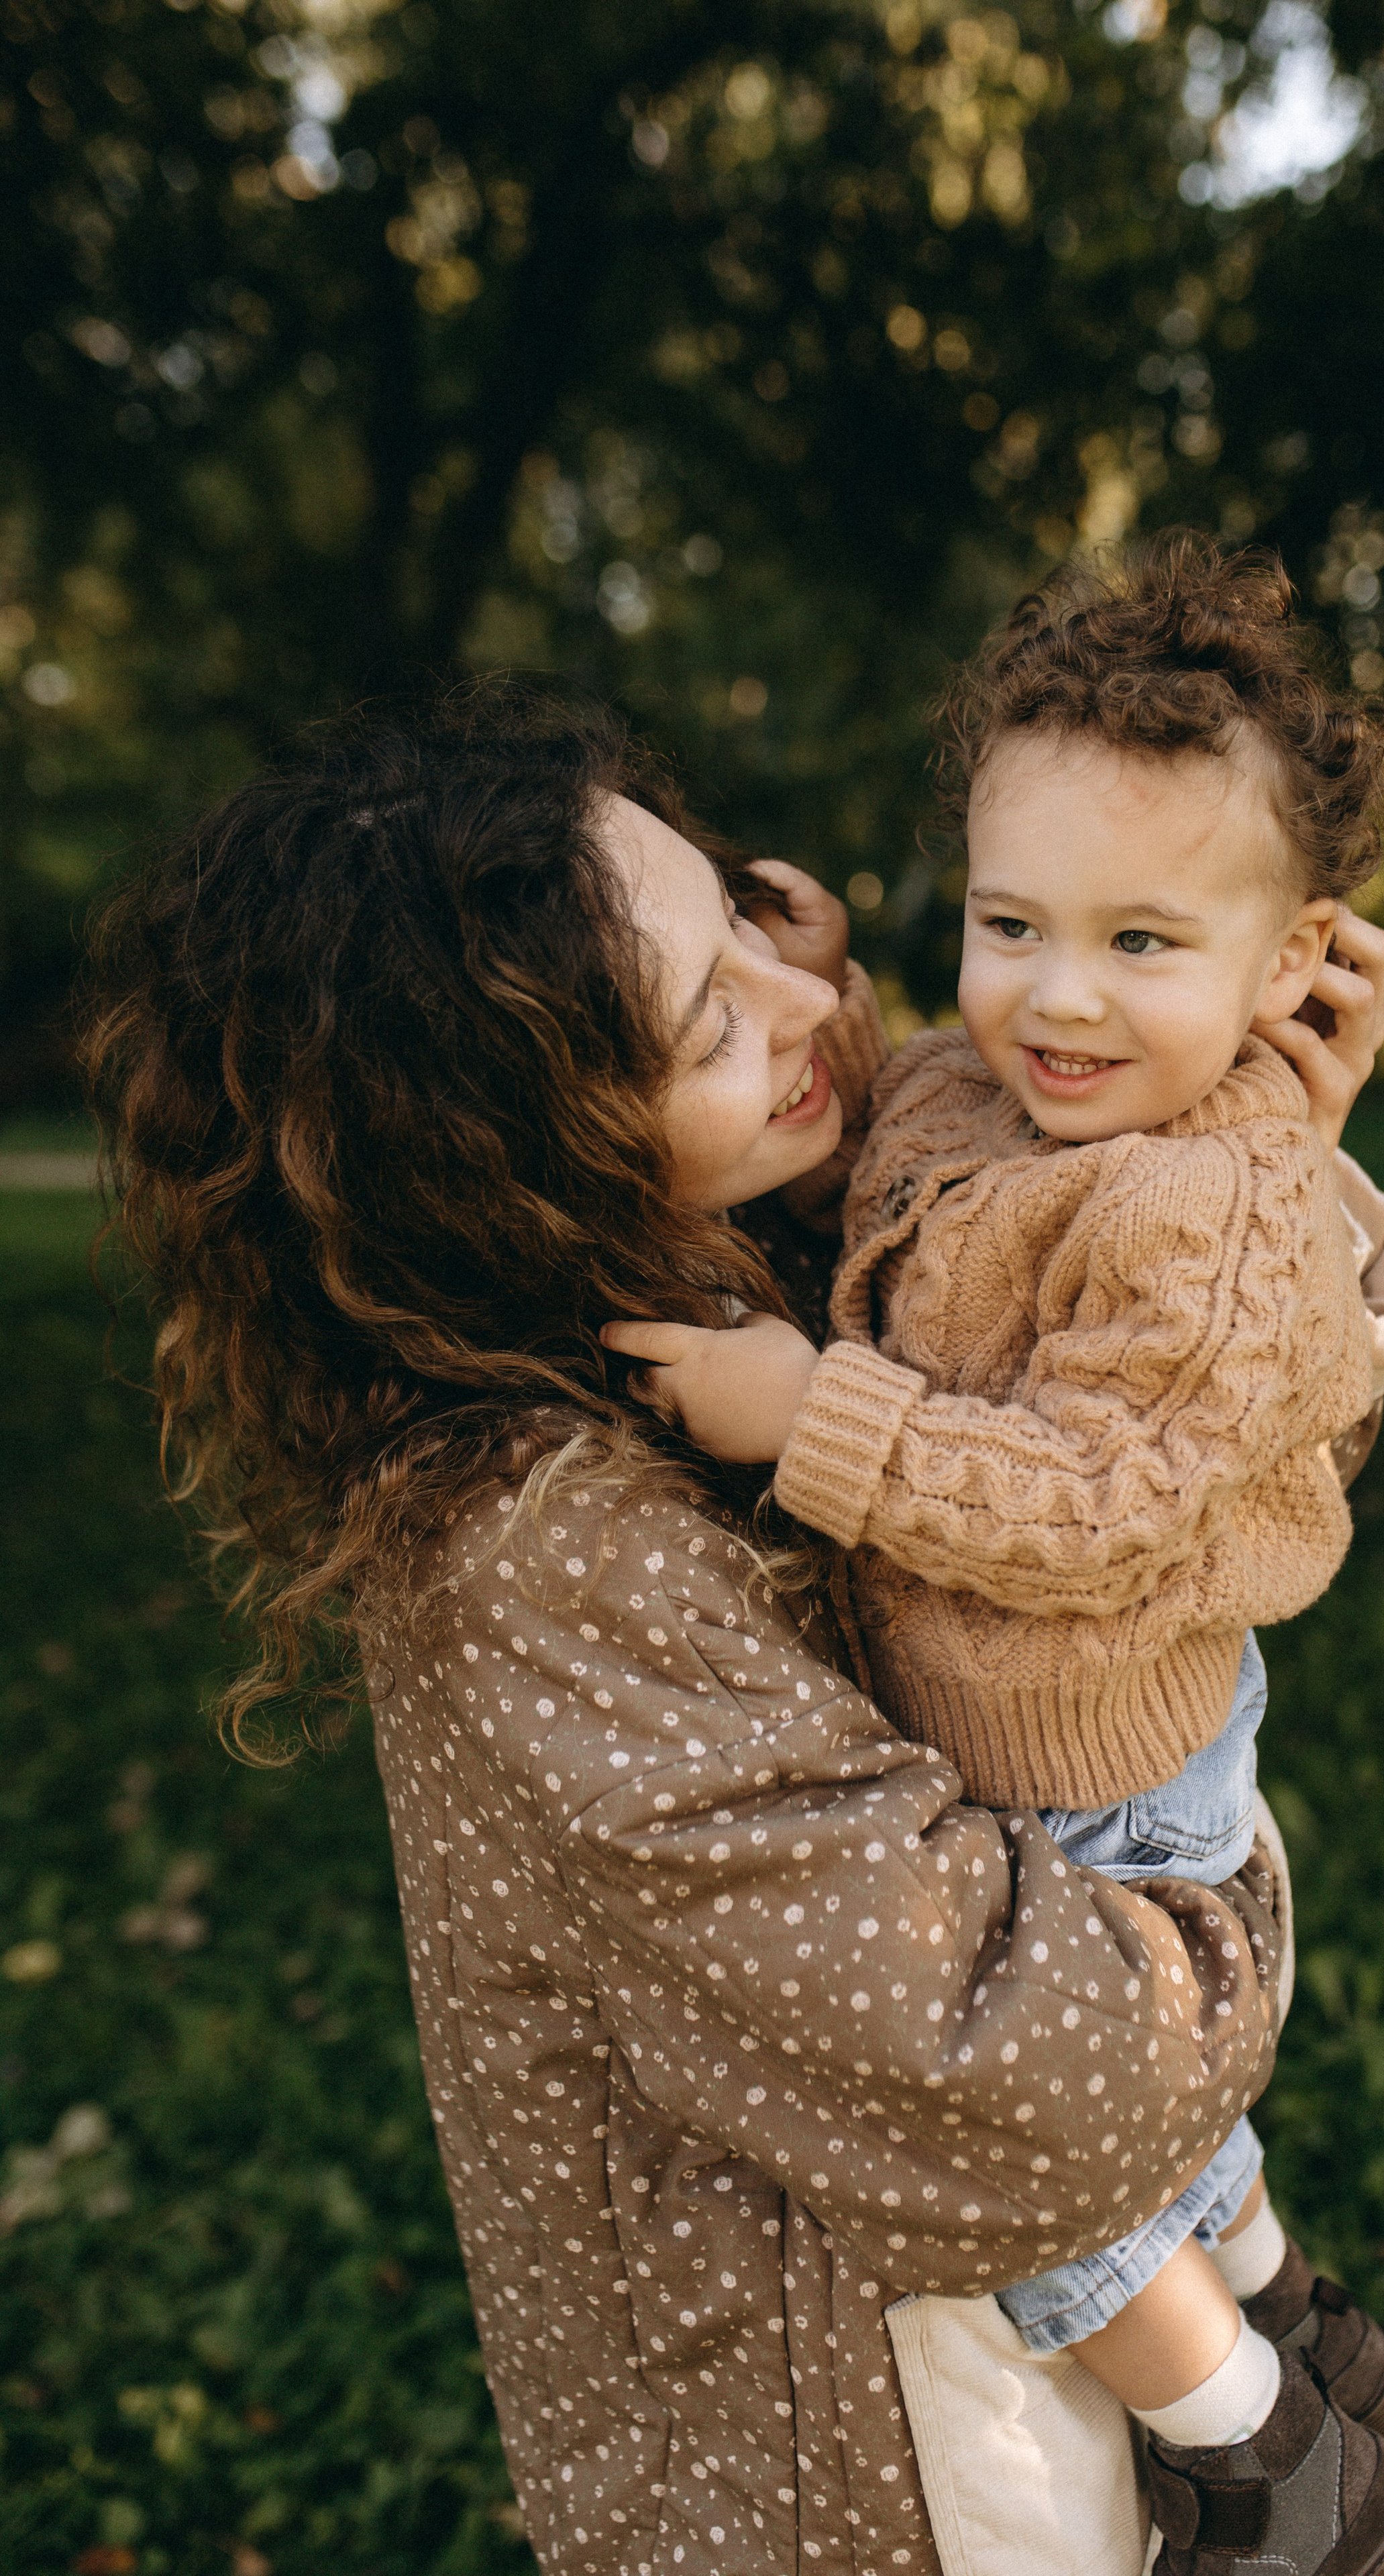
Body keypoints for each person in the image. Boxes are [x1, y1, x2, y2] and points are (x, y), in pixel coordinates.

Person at [83, 678, 1306, 2576]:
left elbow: (1100, 1341)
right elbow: (1026, 2079)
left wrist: (1255, 1118)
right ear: (518, 1150)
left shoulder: (679, 1299)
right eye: (713, 1021)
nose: (808, 999)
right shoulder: (547, 1555)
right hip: (853, 2469)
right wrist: (1227, 1912)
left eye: (742, 916)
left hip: (936, 2380)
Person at [603, 539, 1384, 2576]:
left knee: (1019, 2159)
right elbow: (884, 1134)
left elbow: (1101, 1510)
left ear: (1287, 963)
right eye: (1011, 923)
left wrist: (807, 1412)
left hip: (1109, 1775)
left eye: (1141, 940)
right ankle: (1288, 2301)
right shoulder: (984, 1085)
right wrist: (833, 991)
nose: (1057, 997)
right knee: (1104, 2130)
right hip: (1019, 1745)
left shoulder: (1201, 1208)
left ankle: (1280, 2464)